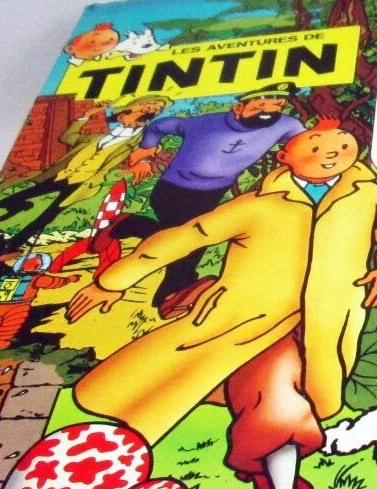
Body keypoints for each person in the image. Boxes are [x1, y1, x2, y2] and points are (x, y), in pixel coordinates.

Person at [65, 118, 377, 489]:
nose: (331, 150)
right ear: (285, 156)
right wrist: (112, 281)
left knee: (280, 392)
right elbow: (186, 236)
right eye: (315, 144)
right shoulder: (259, 205)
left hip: (323, 327)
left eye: (341, 143)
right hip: (240, 323)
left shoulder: (368, 195)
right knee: (248, 394)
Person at [116, 82, 306, 315]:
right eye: (260, 106)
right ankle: (173, 292)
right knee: (189, 238)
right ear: (238, 107)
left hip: (213, 193)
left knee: (186, 234)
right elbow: (158, 126)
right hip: (173, 190)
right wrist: (146, 150)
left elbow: (303, 141)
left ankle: (131, 225)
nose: (268, 112)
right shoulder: (204, 123)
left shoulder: (287, 125)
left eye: (277, 105)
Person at [0, 95, 171, 253]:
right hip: (62, 176)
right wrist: (86, 115)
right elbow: (66, 138)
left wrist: (145, 161)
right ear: (124, 112)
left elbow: (152, 149)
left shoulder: (141, 140)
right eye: (144, 107)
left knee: (46, 217)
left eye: (154, 110)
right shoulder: (96, 137)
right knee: (8, 201)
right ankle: (19, 205)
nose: (149, 111)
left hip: (85, 183)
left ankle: (12, 246)